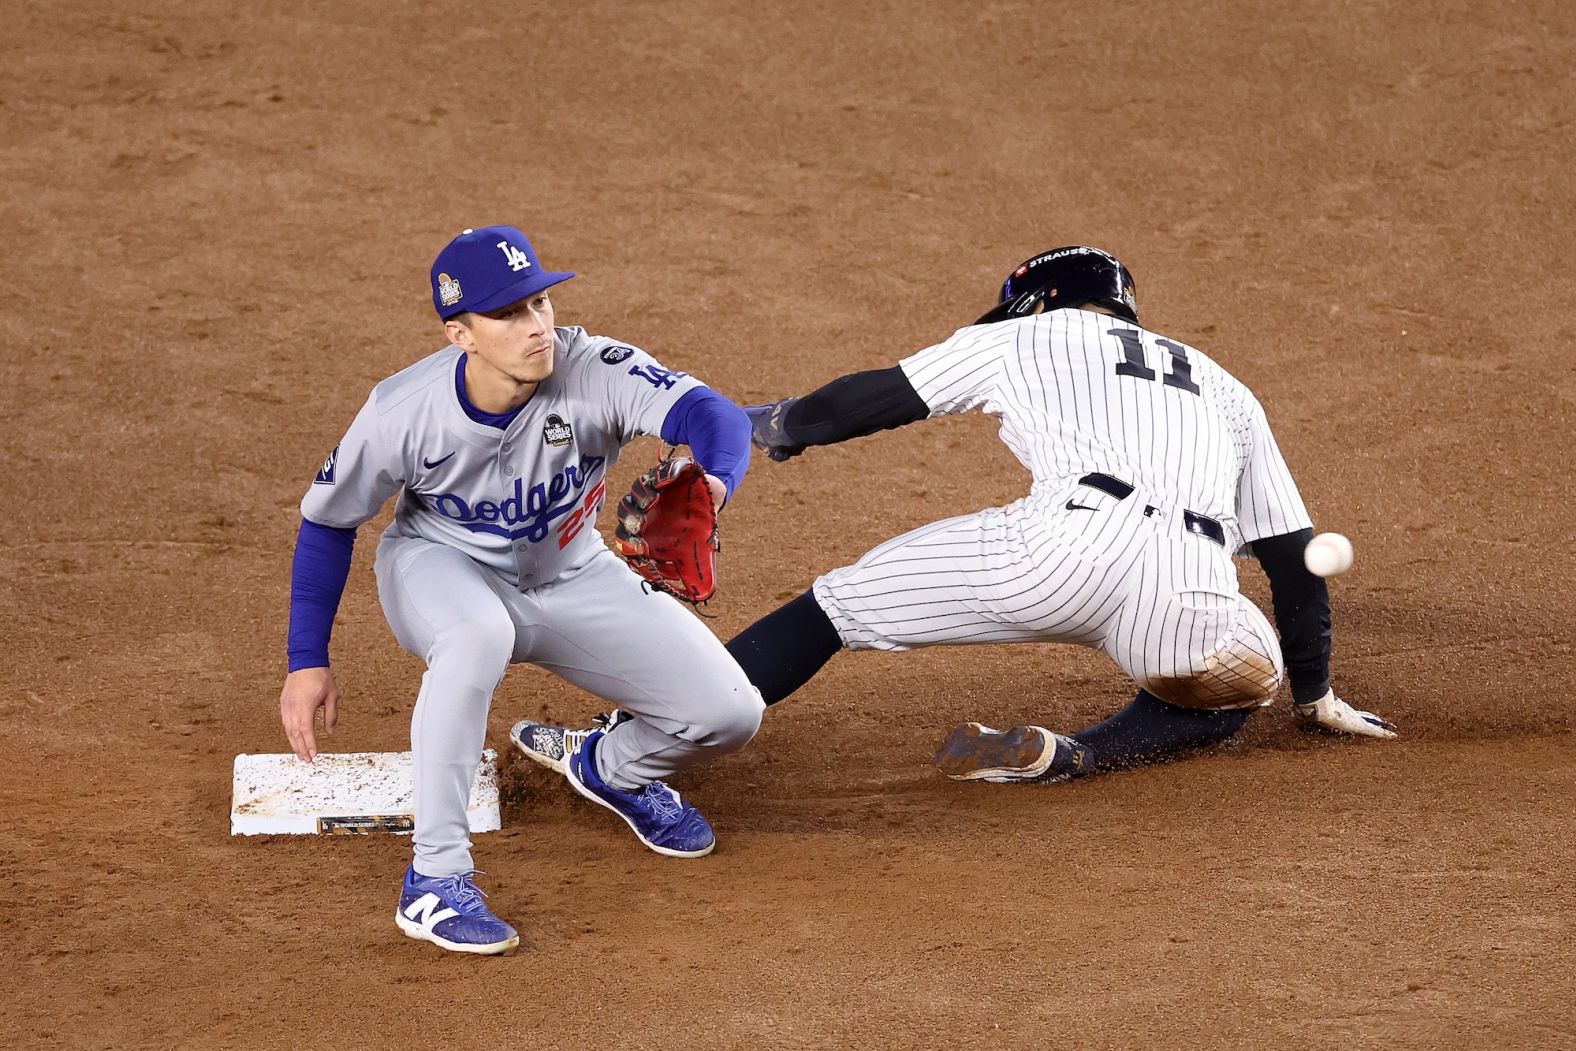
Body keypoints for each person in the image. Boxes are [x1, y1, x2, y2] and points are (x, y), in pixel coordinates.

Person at [722, 245, 1397, 784]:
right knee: (1238, 675)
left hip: (1057, 553)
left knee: (834, 609)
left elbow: (877, 398)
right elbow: (1294, 556)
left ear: (1039, 302)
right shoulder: (1227, 388)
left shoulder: (1029, 334)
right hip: (1191, 589)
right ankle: (1081, 754)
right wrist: (1315, 695)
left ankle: (655, 719)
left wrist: (775, 426)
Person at [279, 225, 763, 956]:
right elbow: (328, 523)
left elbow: (714, 415)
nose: (537, 326)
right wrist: (305, 658)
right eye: (509, 314)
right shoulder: (401, 410)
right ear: (460, 333)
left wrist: (715, 482)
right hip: (439, 570)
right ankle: (435, 880)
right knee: (478, 635)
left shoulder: (594, 365)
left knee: (730, 713)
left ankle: (610, 766)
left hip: (573, 572)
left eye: (540, 302)